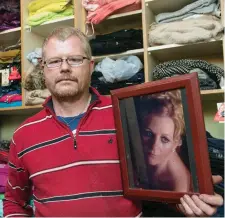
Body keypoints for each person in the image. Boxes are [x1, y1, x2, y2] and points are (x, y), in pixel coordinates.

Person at [3, 27, 223, 217]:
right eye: (54, 61)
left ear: (90, 66)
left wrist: (185, 204)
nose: (64, 68)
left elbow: (156, 185)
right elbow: (14, 202)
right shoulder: (24, 135)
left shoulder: (128, 113)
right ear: (43, 68)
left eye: (74, 59)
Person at [139, 90, 191, 192]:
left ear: (177, 142)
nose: (154, 146)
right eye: (149, 134)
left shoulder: (179, 182)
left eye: (164, 139)